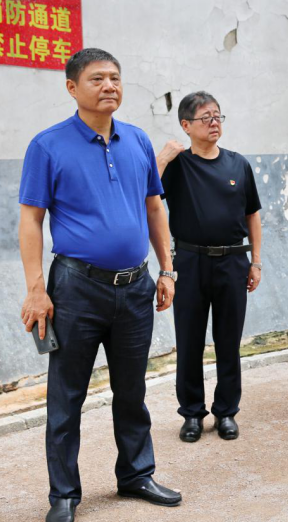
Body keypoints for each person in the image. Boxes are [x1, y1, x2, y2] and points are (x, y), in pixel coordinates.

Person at [18, 48, 182, 522]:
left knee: (132, 389)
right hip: (75, 288)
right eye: (96, 79)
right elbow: (31, 221)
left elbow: (154, 207)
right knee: (67, 395)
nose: (108, 86)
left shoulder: (136, 141)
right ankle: (64, 496)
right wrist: (35, 288)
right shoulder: (47, 146)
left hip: (135, 287)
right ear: (72, 88)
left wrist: (166, 269)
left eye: (114, 78)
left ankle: (136, 473)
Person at [155, 91, 262, 444]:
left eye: (218, 116)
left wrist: (256, 261)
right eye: (205, 117)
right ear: (186, 125)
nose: (214, 122)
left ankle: (226, 412)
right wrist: (162, 159)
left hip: (233, 261)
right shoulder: (178, 165)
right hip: (189, 261)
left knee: (228, 341)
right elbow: (145, 196)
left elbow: (252, 215)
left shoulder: (237, 164)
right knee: (189, 341)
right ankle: (192, 414)